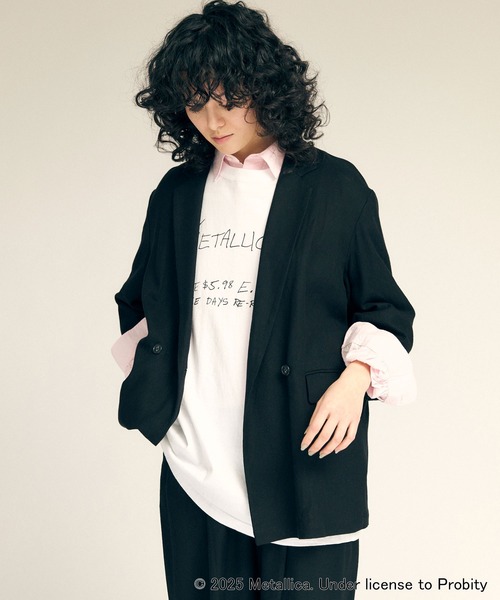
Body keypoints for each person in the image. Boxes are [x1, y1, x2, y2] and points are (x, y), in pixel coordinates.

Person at [112, 1, 416, 598]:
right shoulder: (177, 194)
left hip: (304, 459)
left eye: (226, 98)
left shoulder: (337, 188)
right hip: (196, 464)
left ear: (264, 84)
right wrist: (166, 393)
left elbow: (384, 309)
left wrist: (355, 380)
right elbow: (142, 302)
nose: (212, 120)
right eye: (194, 104)